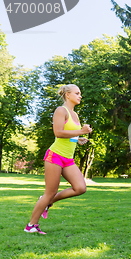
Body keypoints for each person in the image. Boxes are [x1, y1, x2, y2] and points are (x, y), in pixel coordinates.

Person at [25, 84, 92, 234]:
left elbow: (69, 134)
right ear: (67, 95)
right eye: (77, 93)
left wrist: (78, 138)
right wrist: (81, 131)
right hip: (55, 156)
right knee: (50, 191)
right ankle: (31, 225)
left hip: (68, 159)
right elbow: (58, 132)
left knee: (80, 188)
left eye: (80, 93)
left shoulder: (75, 115)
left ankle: (48, 202)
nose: (80, 95)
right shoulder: (61, 110)